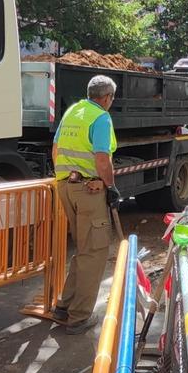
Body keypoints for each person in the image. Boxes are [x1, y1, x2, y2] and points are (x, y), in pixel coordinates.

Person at [50, 75, 120, 334]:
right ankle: (79, 316)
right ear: (106, 98)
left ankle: (65, 306)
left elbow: (55, 150)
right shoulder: (100, 117)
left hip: (65, 186)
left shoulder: (73, 111)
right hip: (88, 190)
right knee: (94, 252)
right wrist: (110, 186)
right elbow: (103, 159)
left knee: (83, 249)